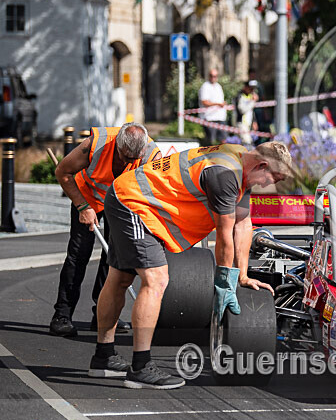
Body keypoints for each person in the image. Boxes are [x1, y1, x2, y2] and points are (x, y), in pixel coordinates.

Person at [89, 142, 292, 388]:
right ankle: (141, 368)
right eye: (274, 178)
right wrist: (225, 283)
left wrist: (243, 276)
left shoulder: (242, 162)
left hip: (133, 198)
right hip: (134, 203)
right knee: (156, 279)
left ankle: (104, 357)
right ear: (262, 165)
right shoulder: (225, 173)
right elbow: (224, 235)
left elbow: (243, 223)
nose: (270, 185)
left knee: (120, 279)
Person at [50, 124, 161, 337]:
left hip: (122, 202)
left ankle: (103, 317)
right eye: (124, 157)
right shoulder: (96, 144)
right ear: (117, 145)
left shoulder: (153, 156)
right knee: (78, 255)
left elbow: (153, 193)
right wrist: (82, 207)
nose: (128, 162)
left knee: (113, 258)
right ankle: (62, 315)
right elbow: (63, 172)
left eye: (133, 159)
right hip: (88, 196)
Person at [198, 69, 227, 144]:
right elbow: (205, 102)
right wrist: (218, 104)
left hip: (220, 117)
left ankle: (221, 155)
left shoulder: (218, 86)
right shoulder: (205, 86)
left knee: (223, 140)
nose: (213, 78)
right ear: (209, 76)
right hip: (209, 118)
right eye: (211, 76)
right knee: (211, 142)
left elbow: (221, 101)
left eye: (215, 76)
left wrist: (223, 103)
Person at [235, 80, 259, 145]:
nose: (252, 90)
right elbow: (242, 110)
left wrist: (254, 121)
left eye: (253, 88)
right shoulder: (240, 96)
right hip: (241, 123)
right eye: (250, 88)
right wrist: (253, 101)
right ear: (245, 87)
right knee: (247, 143)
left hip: (248, 124)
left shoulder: (250, 96)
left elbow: (251, 110)